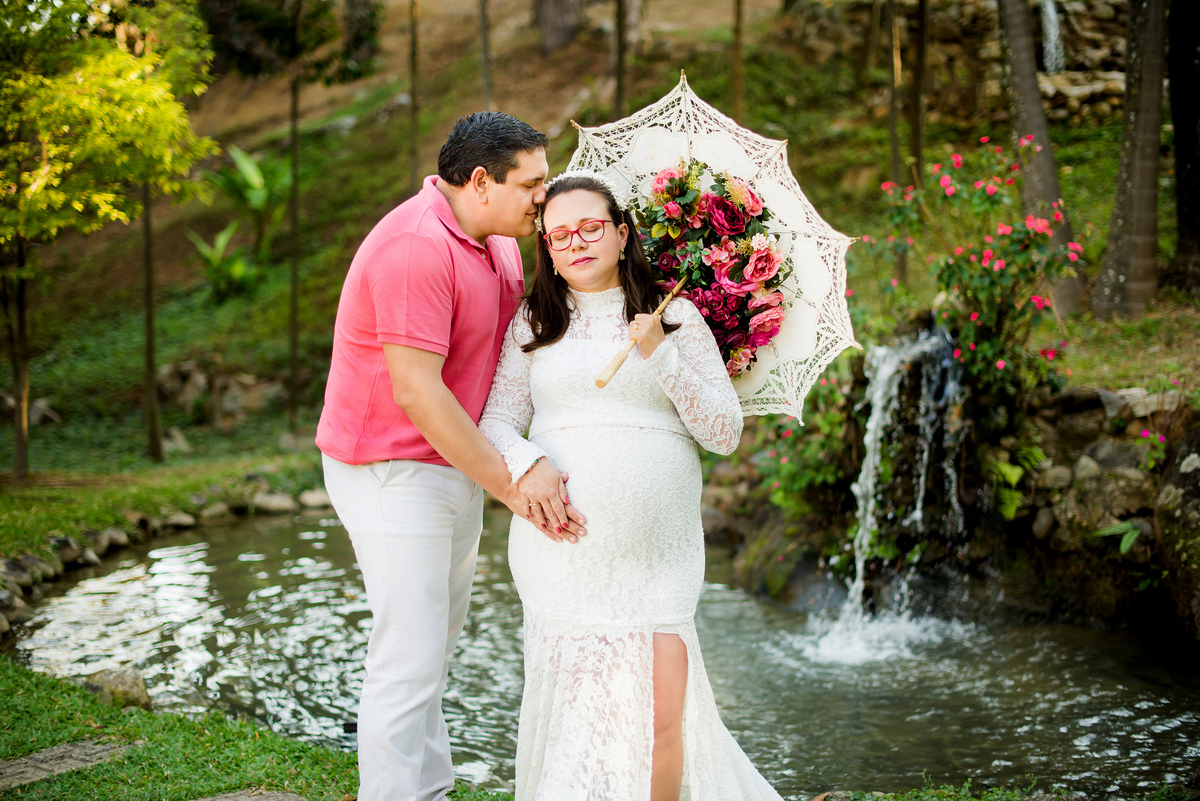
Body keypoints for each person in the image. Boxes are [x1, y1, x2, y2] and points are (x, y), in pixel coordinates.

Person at [479, 171, 784, 801]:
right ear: (547, 248)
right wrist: (528, 461)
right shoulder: (533, 321)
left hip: (658, 557)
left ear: (622, 234)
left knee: (659, 715)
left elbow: (724, 431)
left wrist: (662, 356)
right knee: (583, 720)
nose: (576, 243)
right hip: (562, 550)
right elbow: (497, 422)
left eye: (591, 227)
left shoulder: (677, 318)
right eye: (559, 234)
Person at [315, 112, 586, 801]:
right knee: (408, 657)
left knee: (432, 649)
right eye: (532, 184)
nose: (542, 198)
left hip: (455, 461)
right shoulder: (415, 246)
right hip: (390, 466)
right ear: (481, 180)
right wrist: (512, 483)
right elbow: (416, 390)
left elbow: (510, 360)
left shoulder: (498, 241)